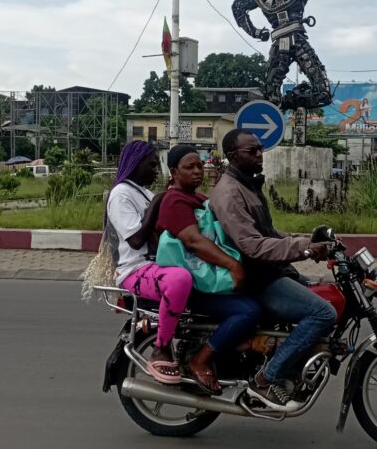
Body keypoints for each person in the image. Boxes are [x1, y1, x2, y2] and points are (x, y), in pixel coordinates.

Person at [210, 129, 337, 412]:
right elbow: (252, 245)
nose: (259, 156)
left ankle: (294, 361)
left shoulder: (247, 186)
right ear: (232, 156)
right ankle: (267, 378)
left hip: (271, 270)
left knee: (325, 292)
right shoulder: (229, 193)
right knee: (322, 313)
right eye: (251, 151)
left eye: (260, 150)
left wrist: (304, 240)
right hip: (257, 277)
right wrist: (302, 247)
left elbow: (266, 231)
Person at [156, 144, 262, 397]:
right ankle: (200, 359)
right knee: (249, 311)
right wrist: (233, 265)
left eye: (199, 166)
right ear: (173, 171)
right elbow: (194, 241)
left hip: (210, 277)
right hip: (195, 285)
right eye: (189, 167)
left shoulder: (199, 198)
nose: (197, 171)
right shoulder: (174, 201)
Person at [105, 140, 192, 387]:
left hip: (157, 264)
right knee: (179, 280)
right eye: (152, 165)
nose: (156, 170)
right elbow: (135, 240)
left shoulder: (144, 192)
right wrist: (158, 204)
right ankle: (161, 349)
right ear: (135, 163)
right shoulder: (121, 194)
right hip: (136, 269)